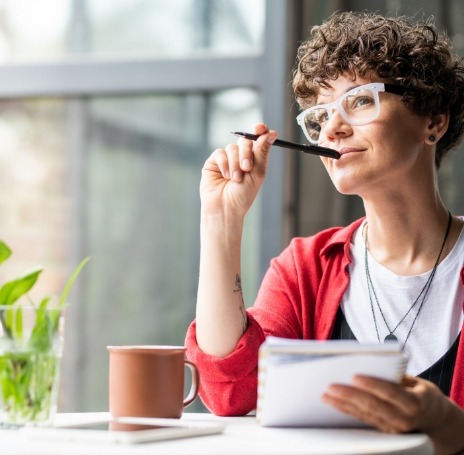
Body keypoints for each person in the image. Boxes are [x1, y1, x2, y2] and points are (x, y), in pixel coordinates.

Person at [185, 10, 464, 455]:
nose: (331, 128)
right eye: (320, 114)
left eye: (359, 101)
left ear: (434, 121)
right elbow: (229, 394)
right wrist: (221, 220)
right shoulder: (306, 268)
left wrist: (450, 428)